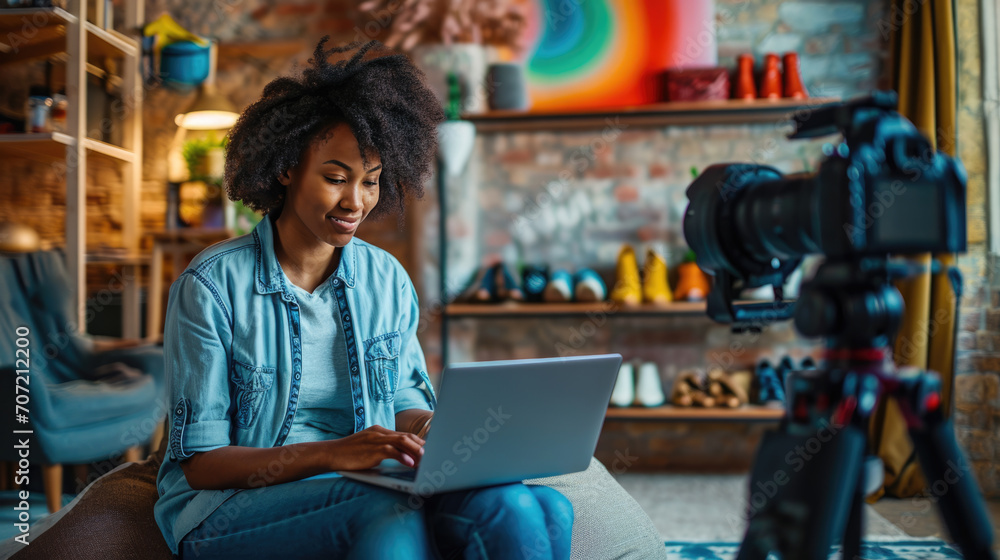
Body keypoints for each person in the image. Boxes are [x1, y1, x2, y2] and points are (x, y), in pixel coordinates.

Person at [153, 39, 574, 559]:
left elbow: (404, 400)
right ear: (286, 169)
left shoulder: (386, 280)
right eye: (335, 178)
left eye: (371, 182)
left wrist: (435, 431)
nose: (356, 202)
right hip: (227, 505)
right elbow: (202, 462)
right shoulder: (213, 286)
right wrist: (336, 454)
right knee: (387, 516)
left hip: (368, 479)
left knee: (532, 506)